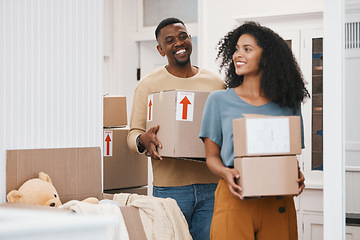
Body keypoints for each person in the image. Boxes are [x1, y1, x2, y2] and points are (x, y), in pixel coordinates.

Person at [199, 21, 308, 240]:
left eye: (247, 49)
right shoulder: (218, 101)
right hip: (235, 195)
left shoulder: (288, 103)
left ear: (266, 57)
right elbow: (211, 157)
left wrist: (297, 175)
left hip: (277, 200)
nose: (238, 54)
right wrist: (225, 173)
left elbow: (290, 157)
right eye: (236, 49)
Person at [127, 17, 225, 240]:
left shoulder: (215, 83)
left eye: (183, 37)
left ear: (190, 39)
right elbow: (132, 134)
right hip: (170, 189)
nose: (178, 43)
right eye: (170, 41)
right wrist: (143, 139)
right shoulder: (148, 85)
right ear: (161, 50)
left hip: (211, 186)